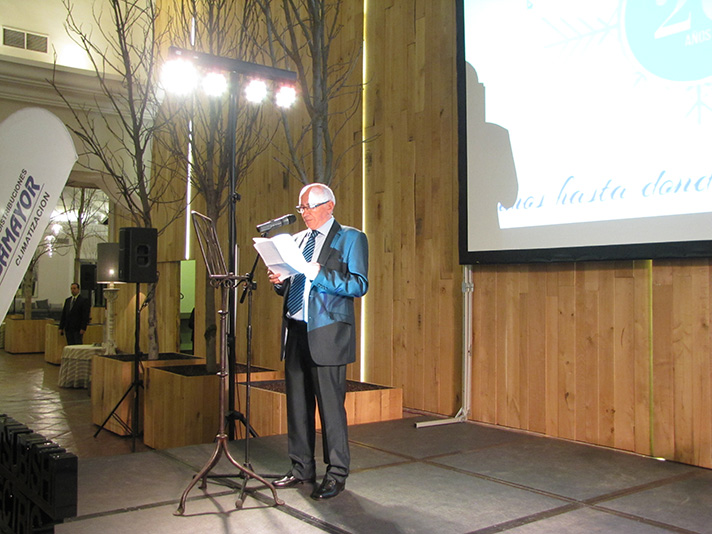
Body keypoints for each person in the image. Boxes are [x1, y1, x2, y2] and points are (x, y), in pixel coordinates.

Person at [268, 183, 369, 500]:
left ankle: (336, 474)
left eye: (310, 207)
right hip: (296, 330)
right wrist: (281, 281)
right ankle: (301, 468)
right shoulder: (296, 241)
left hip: (328, 333)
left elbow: (358, 284)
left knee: (330, 409)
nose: (305, 213)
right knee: (297, 406)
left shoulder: (351, 237)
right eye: (302, 208)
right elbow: (293, 286)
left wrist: (316, 271)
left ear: (330, 205)